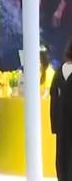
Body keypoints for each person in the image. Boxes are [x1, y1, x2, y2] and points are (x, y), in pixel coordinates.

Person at [50, 41, 72, 181]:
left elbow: (53, 100)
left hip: (61, 123)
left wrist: (55, 125)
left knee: (62, 155)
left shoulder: (58, 72)